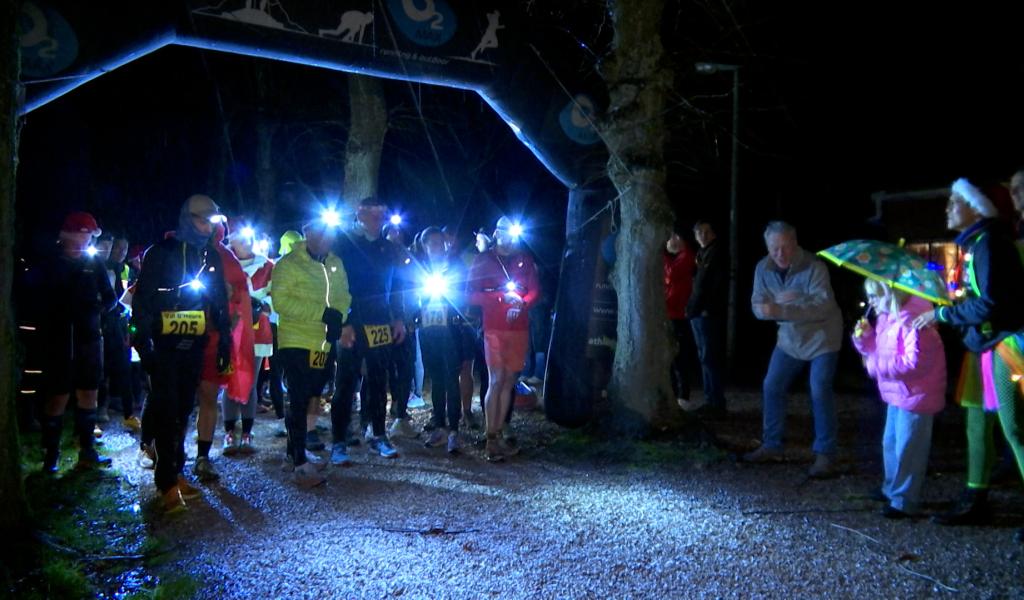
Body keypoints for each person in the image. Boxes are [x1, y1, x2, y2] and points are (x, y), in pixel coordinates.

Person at [912, 178, 1024, 543]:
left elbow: (992, 302)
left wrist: (943, 316)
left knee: (1015, 429)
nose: (947, 208)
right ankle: (976, 496)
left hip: (1004, 345)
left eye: (953, 201)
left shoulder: (989, 243)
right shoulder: (975, 244)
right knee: (977, 421)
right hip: (983, 343)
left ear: (975, 208)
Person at [131, 195, 231, 511]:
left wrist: (225, 339)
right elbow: (142, 302)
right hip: (163, 347)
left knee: (184, 409)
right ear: (188, 219)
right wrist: (142, 344)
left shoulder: (211, 256)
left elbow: (218, 301)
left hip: (195, 345)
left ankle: (176, 471)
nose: (207, 227)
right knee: (166, 410)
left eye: (212, 222)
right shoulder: (160, 254)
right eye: (203, 221)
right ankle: (166, 482)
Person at [745, 221, 843, 478]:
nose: (780, 254)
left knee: (819, 388)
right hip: (789, 338)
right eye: (774, 248)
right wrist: (765, 310)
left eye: (785, 247)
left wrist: (783, 308)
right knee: (772, 385)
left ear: (795, 242)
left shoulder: (815, 267)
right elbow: (757, 303)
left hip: (823, 336)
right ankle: (772, 445)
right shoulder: (762, 269)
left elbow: (822, 306)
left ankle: (825, 454)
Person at [852, 281, 945, 518]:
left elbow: (914, 363)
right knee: (891, 443)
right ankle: (892, 487)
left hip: (916, 395)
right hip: (899, 393)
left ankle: (904, 499)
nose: (871, 301)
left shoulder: (915, 321)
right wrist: (865, 340)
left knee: (909, 447)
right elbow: (880, 350)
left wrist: (874, 365)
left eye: (875, 295)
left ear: (891, 292)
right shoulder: (886, 318)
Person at [273, 214, 351, 487]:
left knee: (313, 396)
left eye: (330, 234)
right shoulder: (288, 264)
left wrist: (336, 318)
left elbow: (343, 295)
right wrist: (322, 313)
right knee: (298, 397)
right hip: (296, 340)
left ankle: (293, 453)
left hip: (324, 341)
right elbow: (281, 302)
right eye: (320, 233)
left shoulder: (335, 263)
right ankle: (298, 463)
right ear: (308, 232)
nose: (326, 239)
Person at [37, 212, 117, 472]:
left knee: (89, 393)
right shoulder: (52, 262)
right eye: (82, 236)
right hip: (59, 340)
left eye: (89, 237)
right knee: (57, 396)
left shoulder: (94, 264)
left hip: (89, 338)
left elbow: (110, 296)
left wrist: (97, 310)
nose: (85, 242)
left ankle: (87, 451)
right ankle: (51, 455)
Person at [330, 197, 407, 464]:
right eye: (373, 214)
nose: (378, 219)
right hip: (351, 321)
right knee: (346, 381)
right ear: (359, 215)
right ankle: (338, 440)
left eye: (382, 214)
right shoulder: (342, 245)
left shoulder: (389, 249)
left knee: (378, 379)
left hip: (380, 321)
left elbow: (397, 286)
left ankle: (378, 434)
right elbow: (334, 287)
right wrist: (343, 323)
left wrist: (398, 318)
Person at [468, 216, 540, 461]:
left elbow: (534, 290)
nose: (508, 237)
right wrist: (500, 299)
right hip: (494, 328)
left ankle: (498, 433)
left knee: (509, 381)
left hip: (518, 328)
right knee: (496, 380)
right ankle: (490, 438)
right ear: (496, 233)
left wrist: (522, 303)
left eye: (513, 233)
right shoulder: (483, 260)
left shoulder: (524, 259)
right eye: (504, 232)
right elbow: (470, 295)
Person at [191, 220, 255, 482]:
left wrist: (230, 323)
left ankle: (202, 457)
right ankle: (158, 449)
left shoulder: (226, 257)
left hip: (214, 336)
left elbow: (238, 293)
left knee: (208, 395)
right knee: (175, 397)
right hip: (179, 335)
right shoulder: (177, 250)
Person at [416, 227, 469, 453]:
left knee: (451, 377)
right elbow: (410, 296)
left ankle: (454, 430)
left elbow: (463, 293)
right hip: (428, 330)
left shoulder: (455, 266)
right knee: (436, 378)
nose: (439, 246)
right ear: (425, 245)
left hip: (451, 330)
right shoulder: (417, 267)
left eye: (442, 242)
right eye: (434, 243)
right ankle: (439, 426)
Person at [686, 220, 729, 415]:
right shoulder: (702, 254)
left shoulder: (715, 253)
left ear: (713, 234)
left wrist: (693, 308)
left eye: (706, 231)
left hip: (707, 313)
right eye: (698, 232)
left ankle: (716, 402)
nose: (702, 235)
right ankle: (711, 399)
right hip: (700, 312)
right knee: (705, 357)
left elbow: (704, 285)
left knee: (709, 357)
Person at [663, 228, 697, 410]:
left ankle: (683, 396)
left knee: (679, 357)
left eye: (675, 235)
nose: (671, 240)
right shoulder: (678, 258)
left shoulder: (686, 257)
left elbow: (671, 274)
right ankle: (675, 394)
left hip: (677, 316)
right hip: (670, 314)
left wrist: (661, 257)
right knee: (670, 357)